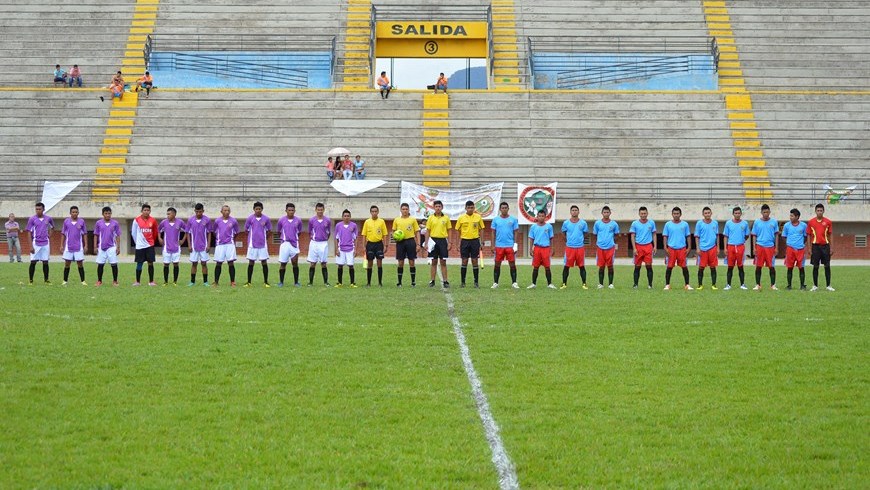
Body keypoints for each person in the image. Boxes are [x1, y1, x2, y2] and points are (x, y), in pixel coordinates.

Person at [662, 207, 693, 291]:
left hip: (682, 248)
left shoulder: (685, 224)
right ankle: (667, 285)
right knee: (669, 267)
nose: (676, 215)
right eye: (674, 214)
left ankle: (687, 284)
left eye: (677, 213)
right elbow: (665, 236)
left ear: (680, 214)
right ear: (672, 214)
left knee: (684, 267)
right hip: (671, 248)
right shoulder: (668, 224)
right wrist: (665, 247)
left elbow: (688, 236)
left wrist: (689, 247)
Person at [455, 200, 484, 288]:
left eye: (472, 207)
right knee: (464, 261)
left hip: (475, 241)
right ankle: (463, 282)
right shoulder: (461, 218)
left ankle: (476, 282)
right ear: (465, 208)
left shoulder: (478, 217)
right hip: (464, 241)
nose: (470, 209)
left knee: (475, 261)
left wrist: (482, 242)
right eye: (468, 208)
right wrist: (457, 243)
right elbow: (457, 230)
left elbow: (482, 229)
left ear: (474, 208)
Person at [490, 202, 519, 289]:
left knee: (512, 264)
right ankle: (495, 283)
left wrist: (515, 245)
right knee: (497, 264)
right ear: (500, 209)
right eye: (502, 208)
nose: (504, 209)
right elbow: (492, 232)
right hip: (499, 245)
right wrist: (492, 245)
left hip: (510, 245)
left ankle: (514, 282)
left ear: (508, 208)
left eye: (506, 208)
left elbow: (516, 232)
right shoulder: (496, 220)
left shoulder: (513, 219)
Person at [751, 203, 779, 291]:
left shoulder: (774, 222)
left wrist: (776, 247)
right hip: (759, 246)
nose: (766, 214)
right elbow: (754, 235)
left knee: (771, 266)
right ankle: (758, 284)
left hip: (770, 246)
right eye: (764, 212)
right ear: (761, 212)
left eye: (767, 212)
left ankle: (773, 285)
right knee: (758, 266)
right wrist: (754, 247)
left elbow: (777, 235)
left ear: (770, 212)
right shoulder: (757, 222)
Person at [807, 203, 835, 291]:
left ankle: (828, 285)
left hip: (825, 246)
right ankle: (815, 285)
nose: (819, 212)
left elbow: (830, 235)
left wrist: (832, 247)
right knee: (815, 266)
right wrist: (809, 248)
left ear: (823, 211)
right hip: (815, 246)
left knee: (827, 266)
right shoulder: (811, 222)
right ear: (815, 211)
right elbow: (808, 235)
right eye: (818, 210)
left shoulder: (828, 222)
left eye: (821, 211)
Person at [244, 201, 272, 287]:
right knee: (251, 262)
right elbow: (246, 230)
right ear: (254, 209)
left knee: (264, 262)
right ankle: (248, 282)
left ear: (262, 209)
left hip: (263, 245)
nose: (258, 210)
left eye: (259, 209)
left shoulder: (266, 219)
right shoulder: (250, 218)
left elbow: (269, 231)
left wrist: (264, 238)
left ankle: (266, 282)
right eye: (256, 209)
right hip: (252, 245)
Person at [561, 205, 589, 289]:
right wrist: (567, 240)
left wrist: (580, 239)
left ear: (578, 212)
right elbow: (563, 233)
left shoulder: (583, 223)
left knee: (581, 266)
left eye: (576, 210)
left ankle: (584, 284)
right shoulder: (566, 223)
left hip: (580, 247)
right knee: (566, 266)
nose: (574, 211)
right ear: (570, 212)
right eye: (573, 210)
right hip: (569, 247)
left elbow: (586, 233)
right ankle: (564, 284)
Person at [26, 202, 55, 285]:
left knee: (45, 262)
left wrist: (49, 235)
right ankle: (31, 281)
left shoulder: (48, 218)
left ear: (43, 209)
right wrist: (31, 246)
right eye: (36, 209)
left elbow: (53, 227)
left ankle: (46, 280)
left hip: (45, 243)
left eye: (39, 209)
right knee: (33, 262)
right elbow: (28, 232)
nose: (38, 211)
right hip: (36, 243)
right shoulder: (32, 219)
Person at [393, 203, 421, 287]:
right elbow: (394, 232)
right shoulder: (396, 220)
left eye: (406, 209)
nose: (405, 210)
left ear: (408, 210)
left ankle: (413, 282)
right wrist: (396, 237)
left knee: (411, 261)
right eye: (403, 209)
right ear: (400, 210)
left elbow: (417, 232)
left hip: (410, 241)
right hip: (400, 242)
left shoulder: (412, 220)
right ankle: (399, 282)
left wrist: (418, 244)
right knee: (400, 262)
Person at [722, 206, 750, 290]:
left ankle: (742, 284)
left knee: (740, 266)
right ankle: (728, 285)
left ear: (741, 214)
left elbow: (747, 235)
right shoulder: (728, 223)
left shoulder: (744, 223)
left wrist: (741, 240)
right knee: (730, 266)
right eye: (736, 213)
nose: (737, 215)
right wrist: (725, 248)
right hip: (730, 246)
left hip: (740, 246)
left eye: (739, 213)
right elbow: (726, 236)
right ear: (733, 214)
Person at [276, 202, 303, 287]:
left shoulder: (298, 220)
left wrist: (293, 238)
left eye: (292, 210)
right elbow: (278, 231)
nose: (291, 212)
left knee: (295, 263)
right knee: (283, 264)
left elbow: (299, 232)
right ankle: (281, 282)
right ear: (286, 211)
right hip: (284, 244)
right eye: (289, 210)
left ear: (295, 211)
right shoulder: (281, 220)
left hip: (294, 244)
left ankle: (296, 282)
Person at [527, 209, 556, 289]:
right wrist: (530, 249)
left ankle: (549, 284)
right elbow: (531, 239)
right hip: (537, 248)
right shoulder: (533, 227)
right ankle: (533, 283)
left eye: (543, 216)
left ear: (545, 217)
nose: (541, 217)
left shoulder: (549, 226)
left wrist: (552, 248)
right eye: (539, 216)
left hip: (546, 248)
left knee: (547, 267)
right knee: (535, 266)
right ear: (537, 217)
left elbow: (551, 238)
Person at [131, 203, 159, 286]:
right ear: (142, 211)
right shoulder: (136, 220)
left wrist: (151, 241)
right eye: (145, 210)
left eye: (148, 210)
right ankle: (137, 281)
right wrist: (138, 243)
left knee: (150, 263)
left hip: (149, 245)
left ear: (150, 211)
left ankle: (151, 281)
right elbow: (133, 233)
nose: (146, 212)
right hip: (140, 246)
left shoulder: (153, 220)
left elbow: (155, 232)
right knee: (139, 263)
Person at [592, 206, 619, 289]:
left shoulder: (614, 224)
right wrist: (601, 241)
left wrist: (611, 241)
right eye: (604, 212)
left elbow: (616, 235)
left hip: (610, 247)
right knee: (601, 266)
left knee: (610, 266)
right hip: (600, 247)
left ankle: (611, 284)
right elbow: (595, 234)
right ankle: (600, 284)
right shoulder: (597, 223)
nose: (606, 214)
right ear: (602, 213)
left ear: (610, 213)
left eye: (608, 212)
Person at [212, 205, 240, 287]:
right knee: (218, 263)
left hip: (230, 244)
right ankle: (216, 282)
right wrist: (218, 239)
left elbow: (237, 232)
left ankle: (232, 282)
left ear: (230, 212)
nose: (226, 212)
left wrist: (231, 239)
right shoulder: (217, 221)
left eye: (228, 210)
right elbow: (214, 231)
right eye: (224, 210)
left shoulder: (234, 221)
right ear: (221, 212)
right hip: (220, 245)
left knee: (231, 263)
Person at [629, 206, 656, 289]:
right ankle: (635, 284)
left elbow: (654, 234)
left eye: (645, 213)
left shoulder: (651, 223)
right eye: (642, 213)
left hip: (648, 246)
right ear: (639, 214)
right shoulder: (635, 223)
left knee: (649, 266)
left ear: (647, 213)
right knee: (637, 266)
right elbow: (632, 236)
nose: (643, 215)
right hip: (638, 246)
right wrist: (634, 248)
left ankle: (650, 285)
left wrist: (655, 246)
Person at [361, 205, 388, 287]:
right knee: (370, 263)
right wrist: (363, 246)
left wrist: (386, 245)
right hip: (370, 244)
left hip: (379, 244)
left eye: (376, 211)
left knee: (379, 263)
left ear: (378, 212)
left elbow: (385, 234)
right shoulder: (367, 222)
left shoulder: (382, 221)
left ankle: (380, 283)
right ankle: (368, 283)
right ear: (370, 212)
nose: (374, 213)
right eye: (372, 211)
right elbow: (364, 235)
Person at [159, 207, 187, 286]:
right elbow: (158, 230)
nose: (167, 215)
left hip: (176, 248)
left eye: (169, 214)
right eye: (167, 214)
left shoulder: (180, 222)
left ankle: (175, 282)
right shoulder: (164, 222)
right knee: (166, 264)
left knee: (175, 264)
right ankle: (165, 282)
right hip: (166, 247)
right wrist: (160, 238)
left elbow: (187, 231)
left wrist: (182, 240)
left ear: (174, 214)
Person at [60, 205, 88, 286]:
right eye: (73, 212)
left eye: (76, 212)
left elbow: (85, 234)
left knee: (80, 263)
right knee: (67, 263)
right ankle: (65, 281)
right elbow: (63, 234)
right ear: (70, 213)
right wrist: (61, 245)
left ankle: (83, 281)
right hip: (68, 247)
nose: (74, 213)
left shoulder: (81, 221)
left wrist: (86, 245)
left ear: (78, 213)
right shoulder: (66, 222)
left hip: (78, 247)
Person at [93, 206, 121, 287]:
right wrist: (95, 246)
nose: (108, 215)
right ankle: (99, 281)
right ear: (103, 214)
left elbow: (118, 235)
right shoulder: (98, 223)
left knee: (114, 264)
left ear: (111, 214)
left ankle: (115, 281)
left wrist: (118, 247)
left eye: (109, 213)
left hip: (112, 247)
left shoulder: (115, 223)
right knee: (100, 264)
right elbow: (96, 235)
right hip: (101, 248)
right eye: (106, 213)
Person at [782, 208, 808, 290]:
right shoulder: (787, 225)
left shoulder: (803, 225)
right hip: (790, 249)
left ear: (797, 217)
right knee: (790, 267)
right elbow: (783, 236)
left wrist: (801, 244)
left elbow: (805, 237)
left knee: (801, 267)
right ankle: (789, 285)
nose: (790, 217)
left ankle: (802, 285)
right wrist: (789, 243)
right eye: (790, 215)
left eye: (792, 216)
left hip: (800, 249)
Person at [426, 200, 451, 288]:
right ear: (434, 207)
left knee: (443, 261)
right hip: (433, 241)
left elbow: (449, 230)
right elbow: (428, 231)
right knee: (434, 261)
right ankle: (432, 280)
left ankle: (445, 281)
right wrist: (426, 243)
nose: (438, 208)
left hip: (443, 241)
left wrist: (450, 242)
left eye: (439, 206)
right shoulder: (430, 218)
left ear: (442, 207)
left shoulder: (446, 218)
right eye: (436, 206)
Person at [694, 206, 720, 290]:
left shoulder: (715, 223)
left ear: (711, 213)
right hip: (703, 248)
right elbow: (697, 236)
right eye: (705, 213)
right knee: (701, 267)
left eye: (708, 213)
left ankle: (714, 285)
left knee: (713, 267)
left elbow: (717, 236)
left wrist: (718, 247)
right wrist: (698, 248)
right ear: (703, 214)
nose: (707, 214)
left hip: (712, 248)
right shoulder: (699, 223)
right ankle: (700, 285)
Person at [187, 203, 211, 286]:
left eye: (200, 211)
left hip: (204, 246)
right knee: (194, 263)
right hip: (194, 246)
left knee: (204, 263)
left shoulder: (207, 220)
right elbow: (188, 233)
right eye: (197, 211)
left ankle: (205, 282)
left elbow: (209, 233)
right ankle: (192, 281)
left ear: (203, 211)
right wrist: (189, 245)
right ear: (194, 211)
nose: (198, 213)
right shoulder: (190, 220)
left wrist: (208, 245)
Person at [307, 202, 331, 286]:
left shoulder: (327, 220)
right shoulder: (312, 220)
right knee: (313, 263)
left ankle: (326, 282)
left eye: (321, 210)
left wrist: (324, 239)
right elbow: (309, 232)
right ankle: (310, 282)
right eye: (318, 210)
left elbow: (328, 232)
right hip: (314, 243)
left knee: (323, 263)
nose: (320, 211)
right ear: (315, 210)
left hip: (323, 243)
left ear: (324, 210)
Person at [334, 209, 359, 287]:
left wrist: (355, 249)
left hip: (350, 249)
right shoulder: (338, 225)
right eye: (345, 216)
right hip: (341, 249)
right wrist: (336, 249)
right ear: (342, 217)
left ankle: (352, 283)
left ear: (350, 217)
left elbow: (356, 238)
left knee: (351, 265)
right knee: (340, 265)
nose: (346, 217)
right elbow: (336, 238)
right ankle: (339, 283)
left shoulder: (354, 225)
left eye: (348, 216)